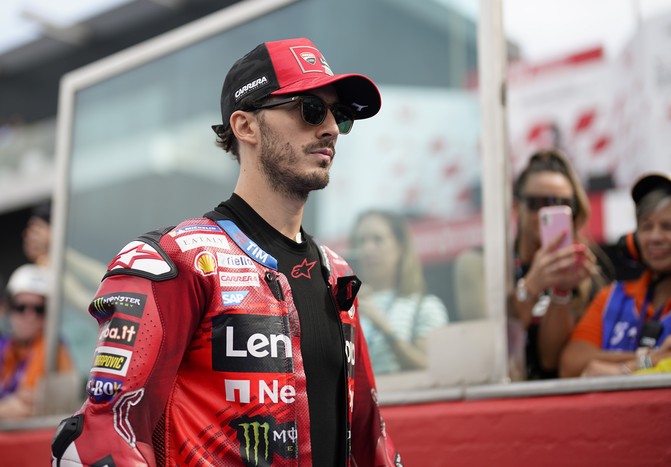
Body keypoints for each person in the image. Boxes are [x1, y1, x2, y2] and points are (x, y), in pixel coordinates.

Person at [51, 38, 401, 466]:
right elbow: (102, 436)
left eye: (340, 116)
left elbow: (368, 436)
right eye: (310, 109)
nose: (329, 128)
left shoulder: (337, 274)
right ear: (245, 126)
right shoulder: (172, 260)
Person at [560, 170, 671, 377]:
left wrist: (616, 368)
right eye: (646, 227)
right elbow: (571, 364)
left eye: (669, 227)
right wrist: (651, 358)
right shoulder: (610, 297)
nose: (655, 237)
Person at [509, 149, 609, 380]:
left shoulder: (583, 274)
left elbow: (551, 360)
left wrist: (560, 291)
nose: (548, 211)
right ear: (517, 207)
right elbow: (498, 344)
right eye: (538, 203)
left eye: (562, 203)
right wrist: (532, 285)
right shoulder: (486, 265)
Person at [349, 210, 449, 375]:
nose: (367, 249)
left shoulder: (426, 306)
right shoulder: (342, 305)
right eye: (361, 241)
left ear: (400, 247)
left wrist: (383, 326)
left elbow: (430, 368)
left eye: (377, 239)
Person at [0, 264, 73, 418]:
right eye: (21, 307)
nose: (29, 316)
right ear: (9, 308)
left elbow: (24, 409)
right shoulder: (6, 347)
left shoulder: (53, 349)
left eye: (39, 309)